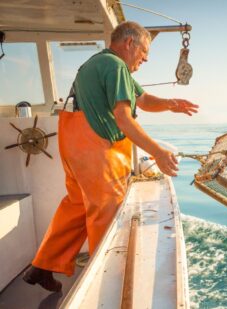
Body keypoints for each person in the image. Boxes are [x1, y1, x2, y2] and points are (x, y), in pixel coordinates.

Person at [22, 21, 199, 292]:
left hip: (75, 147)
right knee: (105, 214)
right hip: (97, 152)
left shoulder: (102, 65)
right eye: (144, 52)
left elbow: (143, 100)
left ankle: (43, 266)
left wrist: (171, 105)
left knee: (77, 207)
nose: (146, 59)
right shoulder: (116, 66)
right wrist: (159, 152)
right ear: (129, 44)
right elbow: (123, 118)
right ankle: (104, 284)